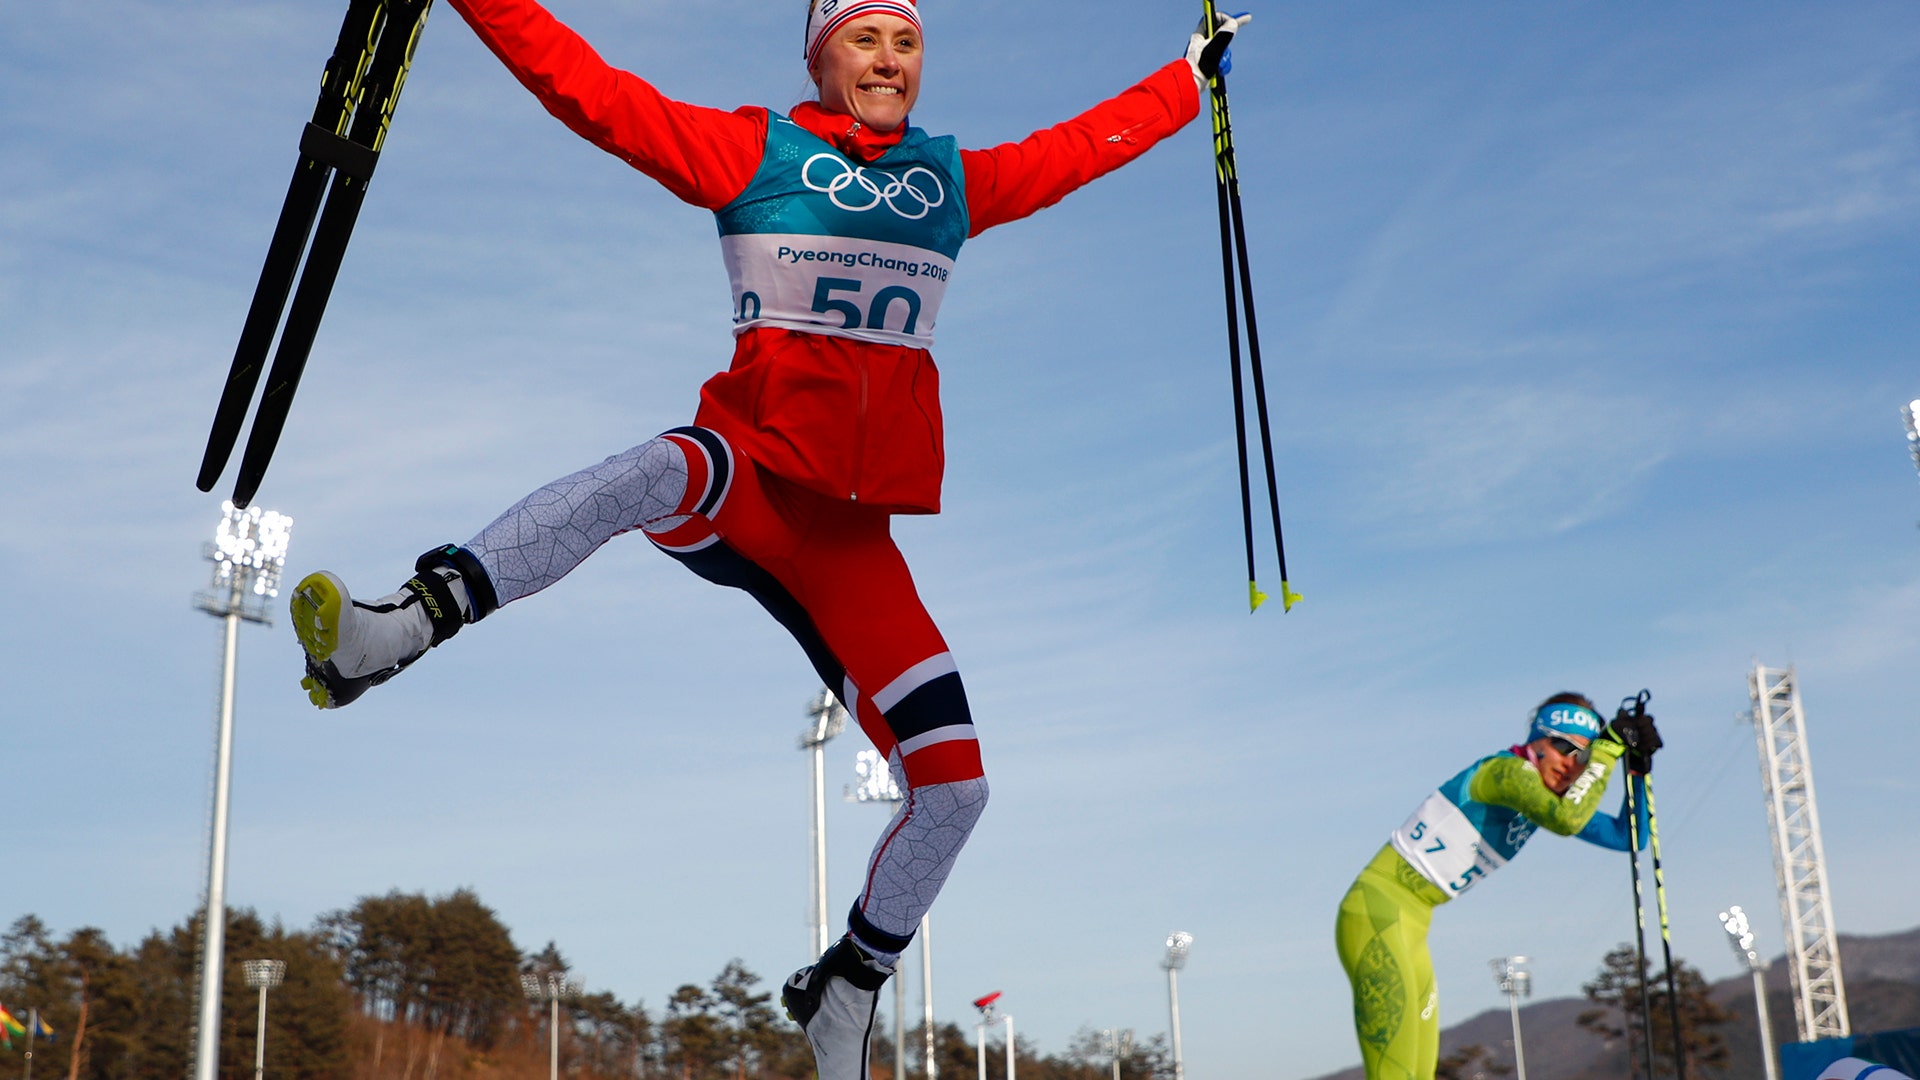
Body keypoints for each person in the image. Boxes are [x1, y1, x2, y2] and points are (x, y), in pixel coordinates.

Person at [285, 2, 1250, 1078]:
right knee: (661, 467)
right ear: (818, 53)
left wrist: (1187, 81)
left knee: (957, 786)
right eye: (863, 37)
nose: (887, 59)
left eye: (906, 41)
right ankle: (402, 628)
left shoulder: (950, 186)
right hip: (750, 475)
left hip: (851, 546)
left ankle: (848, 988)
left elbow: (1076, 152)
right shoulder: (759, 151)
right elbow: (595, 94)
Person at [1334, 693, 1663, 1080]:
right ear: (1537, 741)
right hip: (1377, 912)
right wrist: (1607, 750)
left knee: (1420, 1071)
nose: (1571, 765)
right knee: (1395, 1071)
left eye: (1582, 758)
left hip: (1413, 925)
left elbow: (1630, 836)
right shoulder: (1505, 773)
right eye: (1563, 748)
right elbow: (1569, 819)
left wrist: (1637, 771)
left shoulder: (1543, 798)